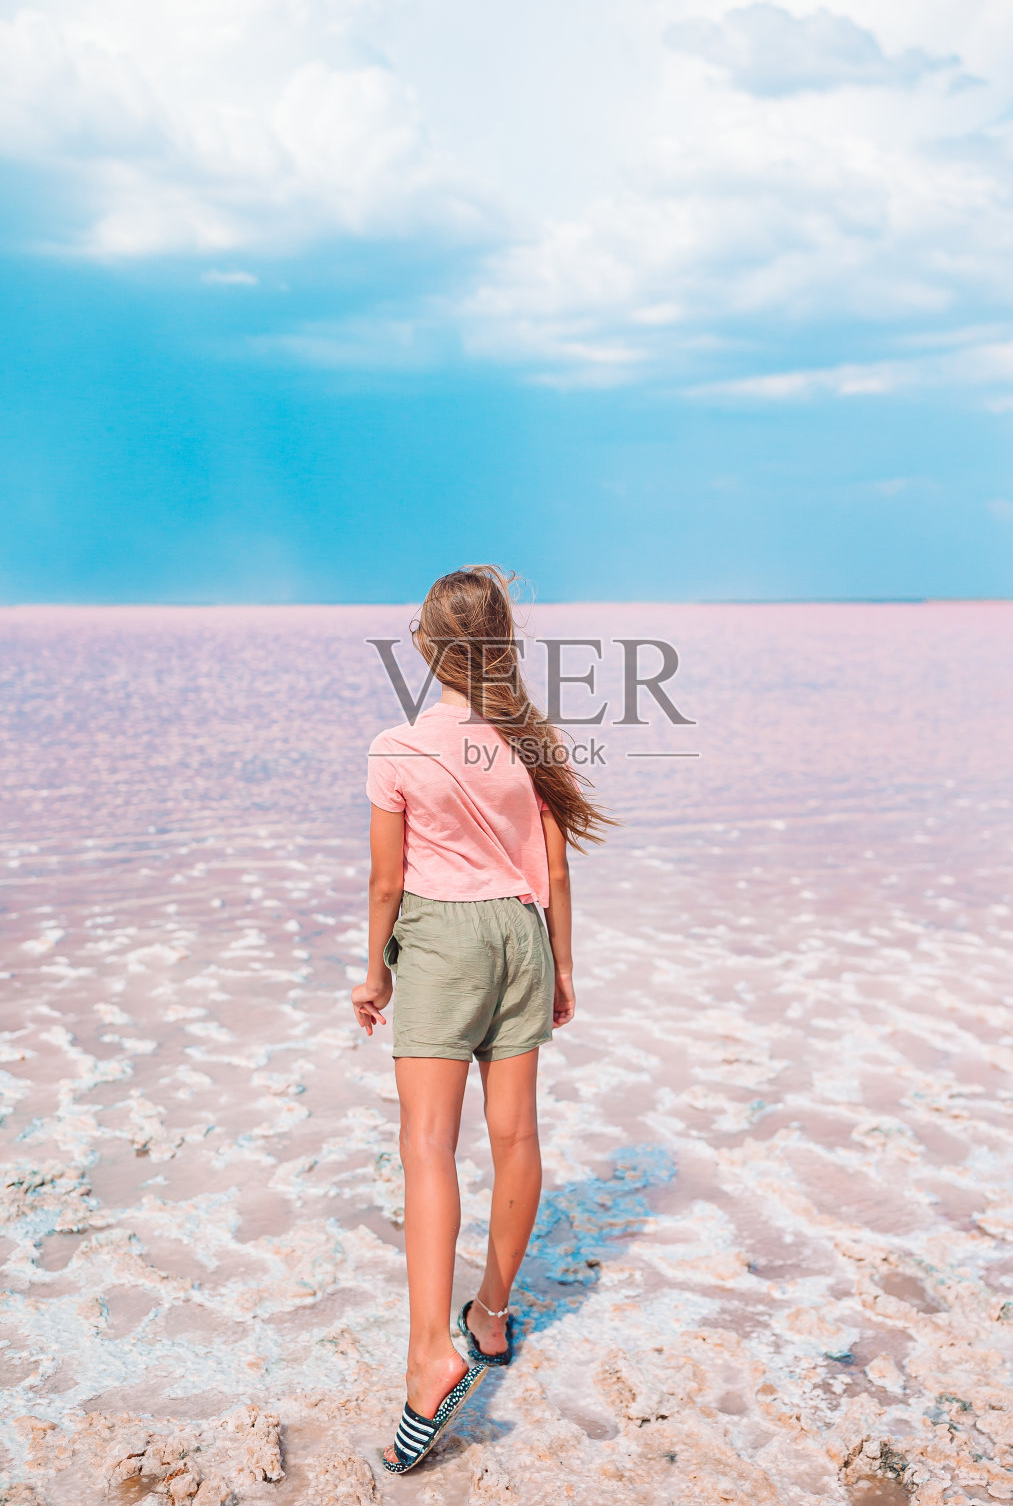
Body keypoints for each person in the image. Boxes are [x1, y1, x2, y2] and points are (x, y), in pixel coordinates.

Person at [349, 566, 613, 1475]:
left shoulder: (397, 747)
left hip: (440, 941)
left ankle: (432, 1354)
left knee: (427, 1144)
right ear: (504, 643)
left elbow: (387, 881)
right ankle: (490, 1318)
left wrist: (372, 973)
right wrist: (561, 965)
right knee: (516, 1137)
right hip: (521, 935)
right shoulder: (528, 742)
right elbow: (559, 870)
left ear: (426, 646)